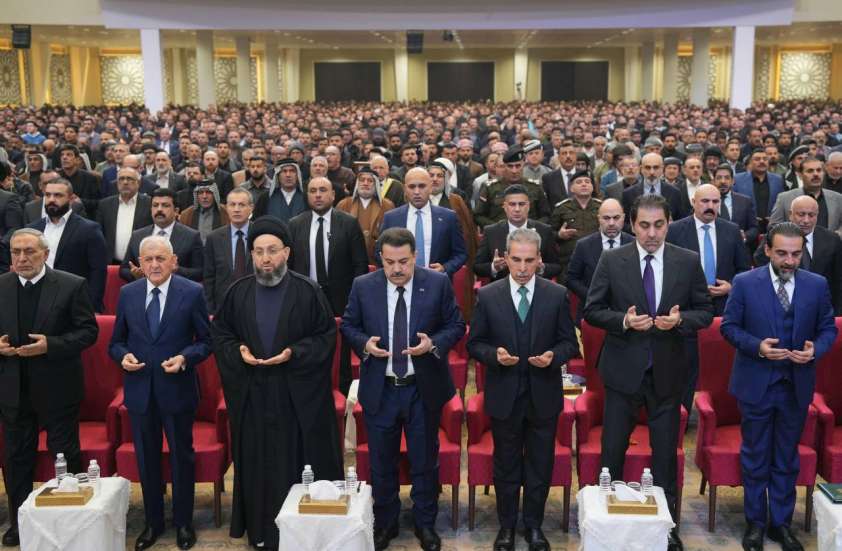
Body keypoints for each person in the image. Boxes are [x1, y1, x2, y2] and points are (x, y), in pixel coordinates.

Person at [584, 194, 714, 551]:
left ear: (669, 224)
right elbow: (592, 310)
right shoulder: (613, 260)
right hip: (622, 372)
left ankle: (666, 530)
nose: (652, 233)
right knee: (612, 453)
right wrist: (624, 321)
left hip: (669, 374)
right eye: (644, 225)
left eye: (658, 225)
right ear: (632, 225)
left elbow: (705, 311)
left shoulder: (687, 261)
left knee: (665, 458)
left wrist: (681, 321)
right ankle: (608, 527)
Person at [212, 216, 343, 549]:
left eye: (272, 250)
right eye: (258, 252)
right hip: (254, 395)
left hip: (295, 397)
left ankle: (301, 535)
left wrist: (293, 353)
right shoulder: (237, 292)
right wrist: (239, 351)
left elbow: (325, 337)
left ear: (286, 252)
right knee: (259, 466)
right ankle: (262, 533)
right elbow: (222, 335)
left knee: (297, 464)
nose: (265, 258)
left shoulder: (308, 291)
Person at [341, 228, 466, 551]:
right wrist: (364, 344)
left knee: (424, 461)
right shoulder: (363, 286)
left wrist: (433, 344)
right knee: (382, 463)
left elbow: (456, 325)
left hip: (421, 389)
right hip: (380, 388)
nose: (397, 269)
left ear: (415, 257)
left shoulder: (437, 283)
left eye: (404, 262)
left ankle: (425, 524)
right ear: (380, 259)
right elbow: (349, 325)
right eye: (390, 262)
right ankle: (386, 523)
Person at [721, 222, 837, 551]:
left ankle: (781, 524)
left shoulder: (817, 284)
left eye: (796, 254)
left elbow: (828, 328)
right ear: (768, 250)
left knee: (786, 458)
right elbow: (729, 327)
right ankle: (755, 523)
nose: (789, 261)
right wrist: (757, 346)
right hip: (756, 384)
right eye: (783, 253)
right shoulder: (745, 283)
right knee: (755, 456)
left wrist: (816, 349)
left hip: (795, 386)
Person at [468, 228, 578, 551]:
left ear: (540, 259)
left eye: (529, 260)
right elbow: (475, 344)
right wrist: (495, 356)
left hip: (544, 396)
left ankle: (533, 526)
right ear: (505, 258)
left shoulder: (556, 295)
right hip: (504, 395)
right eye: (516, 259)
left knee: (540, 465)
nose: (522, 267)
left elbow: (569, 343)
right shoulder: (488, 295)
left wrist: (553, 356)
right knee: (506, 464)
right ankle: (506, 526)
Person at [109, 235, 211, 550]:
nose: (154, 265)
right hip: (140, 391)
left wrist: (185, 358)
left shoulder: (192, 292)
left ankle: (183, 523)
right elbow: (116, 342)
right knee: (147, 459)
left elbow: (206, 341)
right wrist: (123, 356)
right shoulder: (127, 293)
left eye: (160, 259)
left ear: (173, 261)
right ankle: (153, 523)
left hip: (177, 389)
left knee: (182, 458)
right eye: (148, 259)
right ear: (140, 264)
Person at [0, 228, 98, 547]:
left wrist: (50, 345)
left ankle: (68, 520)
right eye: (16, 252)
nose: (22, 258)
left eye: (29, 251)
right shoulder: (1, 285)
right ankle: (19, 521)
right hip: (13, 389)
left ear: (45, 253)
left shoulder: (71, 285)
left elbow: (88, 332)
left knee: (64, 456)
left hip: (58, 388)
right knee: (16, 459)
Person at [665, 184, 750, 414]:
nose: (710, 206)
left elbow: (744, 269)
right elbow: (668, 269)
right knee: (686, 366)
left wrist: (731, 286)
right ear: (693, 202)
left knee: (721, 364)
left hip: (723, 309)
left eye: (715, 201)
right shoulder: (675, 230)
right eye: (705, 201)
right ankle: (681, 417)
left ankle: (723, 414)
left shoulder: (731, 230)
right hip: (688, 309)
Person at [288, 176, 369, 394]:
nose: (318, 195)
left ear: (333, 195)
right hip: (305, 299)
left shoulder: (349, 223)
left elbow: (360, 265)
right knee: (307, 348)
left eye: (323, 190)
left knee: (341, 352)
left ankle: (342, 392)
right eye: (313, 190)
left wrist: (355, 299)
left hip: (341, 300)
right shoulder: (295, 224)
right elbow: (289, 265)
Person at [25, 178, 109, 312]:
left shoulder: (89, 229)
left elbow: (98, 272)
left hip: (74, 302)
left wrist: (92, 308)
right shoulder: (32, 228)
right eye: (48, 195)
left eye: (58, 195)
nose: (51, 199)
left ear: (71, 199)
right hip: (36, 299)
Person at [756, 195, 842, 315]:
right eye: (801, 214)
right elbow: (761, 264)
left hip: (821, 308)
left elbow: (838, 281)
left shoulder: (832, 240)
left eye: (811, 215)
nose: (806, 220)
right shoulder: (775, 236)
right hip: (783, 307)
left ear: (817, 215)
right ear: (791, 214)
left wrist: (837, 314)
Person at [380, 167, 467, 277]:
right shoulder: (391, 218)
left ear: (430, 187)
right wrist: (396, 268)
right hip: (400, 281)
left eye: (422, 186)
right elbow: (379, 252)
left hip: (436, 282)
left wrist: (445, 268)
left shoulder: (448, 217)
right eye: (412, 187)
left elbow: (460, 254)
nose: (417, 192)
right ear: (405, 189)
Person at [566, 198, 633, 325]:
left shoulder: (634, 244)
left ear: (623, 218)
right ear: (598, 219)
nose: (611, 223)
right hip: (592, 312)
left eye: (616, 218)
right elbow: (571, 279)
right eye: (606, 218)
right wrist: (593, 296)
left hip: (627, 313)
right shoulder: (583, 245)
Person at [475, 184, 560, 281]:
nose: (517, 209)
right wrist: (494, 267)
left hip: (536, 286)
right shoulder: (491, 232)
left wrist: (541, 268)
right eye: (512, 204)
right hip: (502, 287)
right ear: (504, 206)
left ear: (528, 206)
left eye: (521, 204)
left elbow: (556, 266)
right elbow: (477, 267)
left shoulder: (544, 230)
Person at [120, 188, 204, 282]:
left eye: (165, 205)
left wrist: (177, 270)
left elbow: (200, 272)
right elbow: (123, 269)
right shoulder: (137, 236)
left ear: (176, 211)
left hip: (177, 289)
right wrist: (135, 274)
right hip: (144, 288)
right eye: (155, 205)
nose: (159, 209)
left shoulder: (191, 236)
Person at [202, 187, 254, 314]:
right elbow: (209, 277)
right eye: (232, 205)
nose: (236, 209)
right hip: (223, 307)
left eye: (241, 205)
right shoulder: (214, 238)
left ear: (251, 208)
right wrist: (210, 311)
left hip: (255, 304)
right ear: (226, 208)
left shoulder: (261, 234)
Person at [474, 145, 551, 228]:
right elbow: (478, 215)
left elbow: (545, 215)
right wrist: (497, 228)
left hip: (529, 232)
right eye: (510, 166)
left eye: (518, 166)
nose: (514, 171)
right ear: (504, 167)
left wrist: (530, 227)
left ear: (523, 165)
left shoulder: (535, 187)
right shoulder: (490, 187)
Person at [336, 166, 395, 263]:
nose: (365, 183)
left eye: (370, 181)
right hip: (349, 260)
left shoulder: (387, 206)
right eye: (362, 180)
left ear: (376, 185)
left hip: (378, 260)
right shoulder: (344, 205)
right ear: (357, 184)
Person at [551, 170, 601, 283]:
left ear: (592, 187)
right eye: (579, 182)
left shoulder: (601, 207)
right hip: (569, 261)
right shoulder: (562, 208)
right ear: (571, 188)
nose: (584, 184)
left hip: (597, 260)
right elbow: (549, 234)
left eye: (587, 182)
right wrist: (559, 235)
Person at [770, 156, 842, 234]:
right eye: (810, 171)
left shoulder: (838, 198)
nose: (815, 174)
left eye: (819, 170)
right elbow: (773, 227)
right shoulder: (784, 198)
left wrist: (836, 236)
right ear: (800, 175)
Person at [96, 167, 153, 264]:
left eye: (129, 179)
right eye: (121, 179)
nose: (125, 182)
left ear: (138, 183)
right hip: (111, 262)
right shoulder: (105, 204)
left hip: (140, 262)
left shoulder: (149, 203)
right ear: (117, 183)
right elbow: (100, 234)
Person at [734, 148, 785, 234]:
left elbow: (781, 203)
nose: (762, 161)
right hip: (747, 229)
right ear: (750, 162)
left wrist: (774, 218)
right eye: (757, 159)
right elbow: (734, 203)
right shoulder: (738, 179)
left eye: (765, 159)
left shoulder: (778, 180)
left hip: (771, 229)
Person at [253, 157, 308, 222]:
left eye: (292, 171)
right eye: (284, 171)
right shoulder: (266, 198)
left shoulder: (306, 197)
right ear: (278, 176)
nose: (288, 175)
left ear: (297, 175)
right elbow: (257, 222)